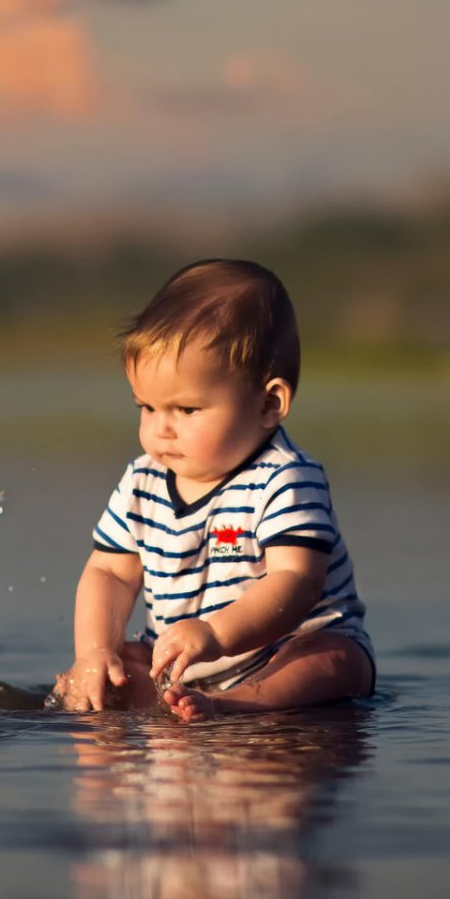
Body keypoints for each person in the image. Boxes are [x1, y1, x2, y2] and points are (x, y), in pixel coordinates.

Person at [52, 259, 374, 719]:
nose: (161, 429)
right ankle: (150, 710)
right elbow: (110, 572)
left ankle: (236, 703)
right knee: (116, 668)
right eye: (146, 407)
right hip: (181, 656)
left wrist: (217, 633)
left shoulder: (284, 477)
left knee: (336, 659)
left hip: (281, 648)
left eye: (186, 410)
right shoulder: (141, 481)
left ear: (268, 404)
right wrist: (93, 652)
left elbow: (295, 580)